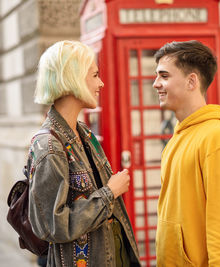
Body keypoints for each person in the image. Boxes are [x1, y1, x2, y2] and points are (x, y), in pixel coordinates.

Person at [28, 40, 140, 267]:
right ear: (73, 78)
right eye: (95, 75)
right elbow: (52, 224)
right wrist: (110, 192)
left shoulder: (84, 133)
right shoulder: (49, 145)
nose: (101, 83)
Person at [153, 40, 220, 266]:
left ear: (191, 81)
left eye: (164, 76)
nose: (156, 83)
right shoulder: (182, 132)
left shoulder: (219, 137)